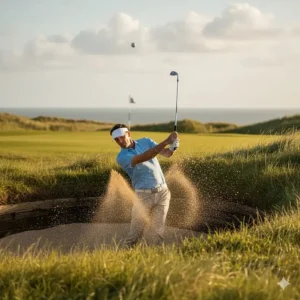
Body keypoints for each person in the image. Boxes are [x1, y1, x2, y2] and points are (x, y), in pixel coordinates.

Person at [110, 124, 179, 247]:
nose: (119, 141)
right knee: (135, 232)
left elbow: (167, 153)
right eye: (116, 139)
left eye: (121, 137)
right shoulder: (121, 157)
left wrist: (173, 146)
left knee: (158, 230)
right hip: (143, 196)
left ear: (128, 134)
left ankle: (155, 255)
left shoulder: (146, 141)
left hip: (163, 192)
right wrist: (167, 141)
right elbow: (147, 156)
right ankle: (127, 253)